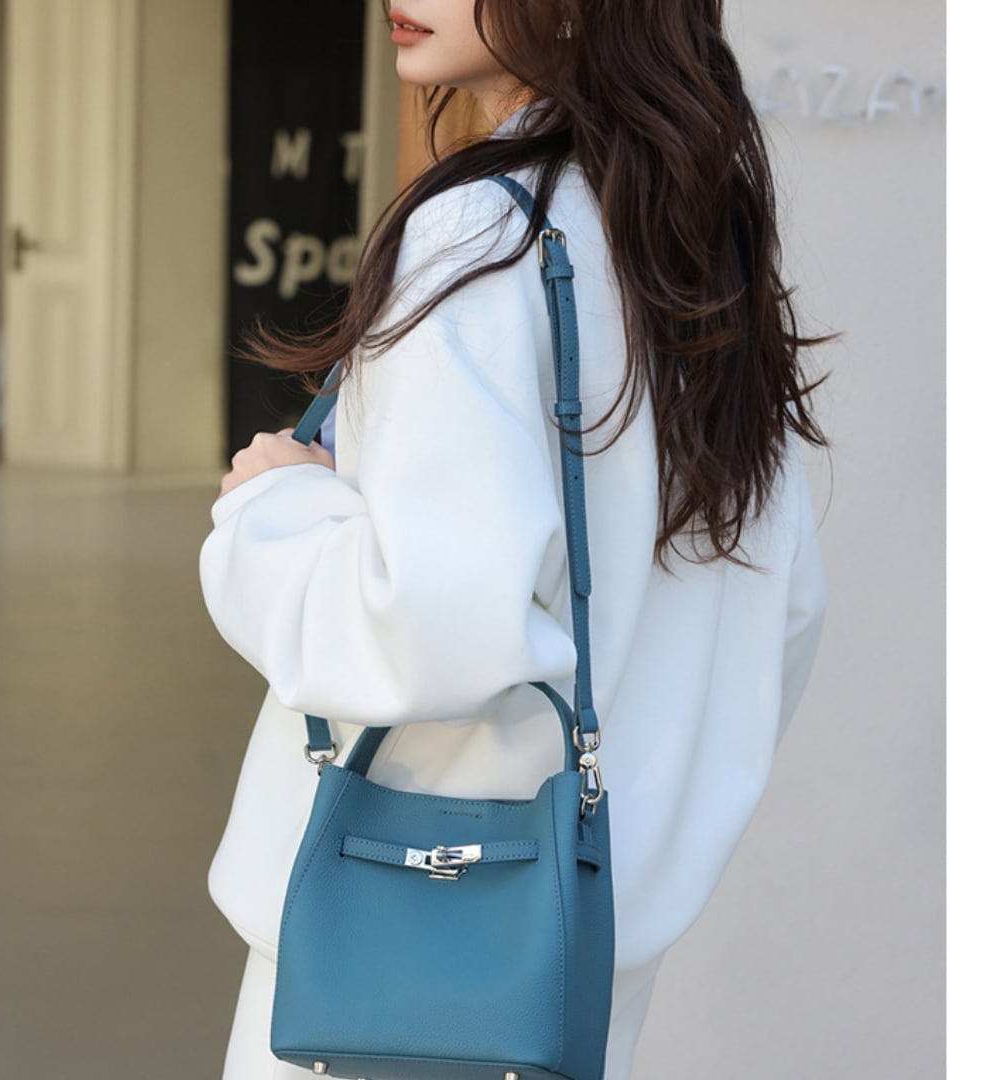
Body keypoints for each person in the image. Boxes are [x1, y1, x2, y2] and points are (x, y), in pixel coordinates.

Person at [199, 2, 831, 1077]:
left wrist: (274, 510)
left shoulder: (477, 236)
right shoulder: (688, 229)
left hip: (392, 943)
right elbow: (784, 603)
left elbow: (427, 628)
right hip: (579, 950)